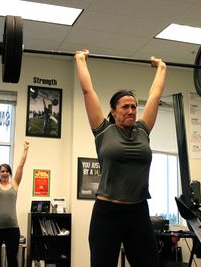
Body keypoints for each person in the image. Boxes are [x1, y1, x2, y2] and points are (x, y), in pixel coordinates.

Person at [74, 50, 167, 267]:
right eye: (125, 106)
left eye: (134, 106)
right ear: (114, 112)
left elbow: (155, 96)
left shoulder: (143, 130)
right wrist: (81, 61)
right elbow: (88, 91)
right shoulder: (103, 131)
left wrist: (161, 67)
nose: (131, 111)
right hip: (107, 213)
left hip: (138, 212)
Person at [0, 139, 30, 267]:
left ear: (10, 173)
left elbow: (20, 166)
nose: (4, 173)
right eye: (2, 171)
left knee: (12, 260)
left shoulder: (14, 184)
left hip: (12, 228)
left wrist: (25, 149)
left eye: (7, 171)